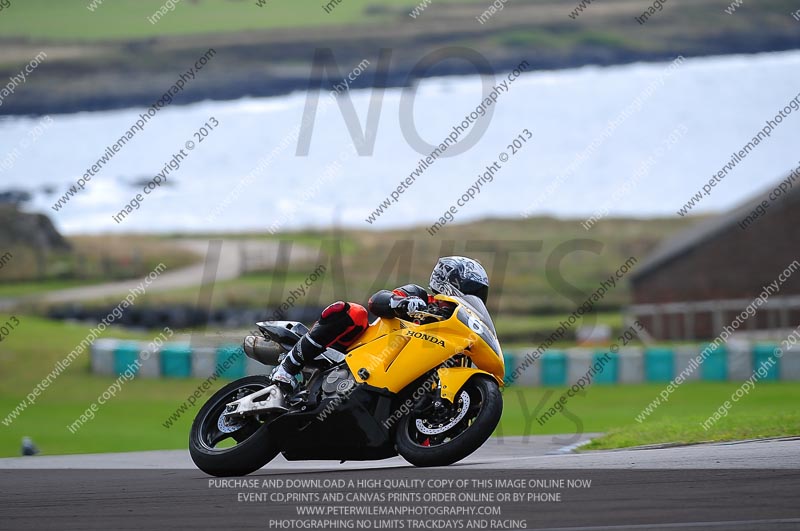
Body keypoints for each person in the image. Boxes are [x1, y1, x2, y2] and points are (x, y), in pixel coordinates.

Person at [269, 256, 490, 394]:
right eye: (471, 288)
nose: (474, 296)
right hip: (356, 354)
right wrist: (400, 302)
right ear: (452, 281)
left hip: (389, 379)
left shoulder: (455, 325)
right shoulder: (420, 296)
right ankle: (286, 370)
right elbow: (378, 300)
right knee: (353, 312)